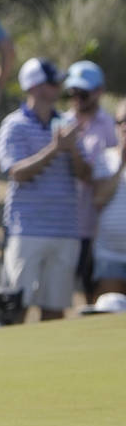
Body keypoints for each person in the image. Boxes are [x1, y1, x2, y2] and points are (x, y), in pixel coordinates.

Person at [0, 58, 90, 321]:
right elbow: (17, 173)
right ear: (34, 87)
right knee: (16, 307)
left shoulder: (66, 125)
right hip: (27, 230)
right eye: (52, 81)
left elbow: (85, 174)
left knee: (55, 309)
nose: (58, 86)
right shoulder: (14, 125)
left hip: (64, 229)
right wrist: (54, 149)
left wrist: (71, 150)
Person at [63, 61, 117, 304]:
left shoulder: (112, 127)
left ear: (99, 91)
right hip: (62, 224)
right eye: (72, 92)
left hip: (94, 227)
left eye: (83, 93)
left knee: (94, 295)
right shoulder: (61, 123)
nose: (77, 98)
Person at [91, 100, 126, 299]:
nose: (124, 126)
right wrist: (121, 163)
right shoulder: (105, 159)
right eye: (120, 121)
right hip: (109, 256)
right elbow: (98, 199)